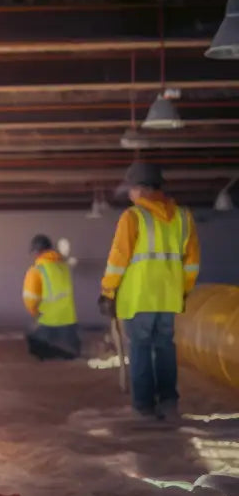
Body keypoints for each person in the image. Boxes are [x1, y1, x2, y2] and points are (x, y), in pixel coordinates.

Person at [98, 162, 201, 420]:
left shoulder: (133, 217)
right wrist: (183, 291)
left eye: (131, 190)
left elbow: (118, 260)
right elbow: (192, 263)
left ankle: (144, 407)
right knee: (165, 346)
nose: (130, 195)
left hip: (139, 298)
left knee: (141, 347)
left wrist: (108, 292)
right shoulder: (183, 217)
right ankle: (168, 403)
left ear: (139, 190)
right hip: (169, 298)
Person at [22, 234, 81, 360]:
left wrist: (35, 314)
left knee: (33, 343)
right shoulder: (64, 267)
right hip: (69, 322)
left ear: (37, 252)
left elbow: (30, 299)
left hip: (47, 323)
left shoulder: (36, 270)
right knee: (71, 355)